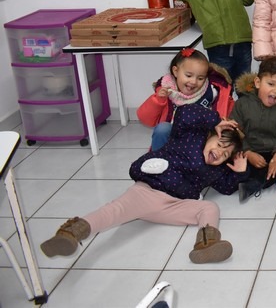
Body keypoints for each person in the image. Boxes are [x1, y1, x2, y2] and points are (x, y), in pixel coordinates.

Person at [40, 104, 246, 264]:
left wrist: (239, 172)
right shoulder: (188, 137)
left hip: (175, 206)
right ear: (209, 136)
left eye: (225, 154)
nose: (220, 153)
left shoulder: (216, 169)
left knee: (210, 207)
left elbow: (226, 188)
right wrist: (215, 120)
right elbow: (184, 113)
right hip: (148, 192)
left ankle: (206, 244)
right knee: (113, 211)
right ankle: (70, 234)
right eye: (220, 145)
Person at [137, 48, 234, 151]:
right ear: (175, 71)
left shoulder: (212, 92)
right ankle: (158, 161)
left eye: (200, 78)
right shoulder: (167, 90)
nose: (193, 81)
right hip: (172, 139)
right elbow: (145, 118)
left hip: (199, 141)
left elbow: (227, 108)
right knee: (162, 129)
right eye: (188, 75)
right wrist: (158, 100)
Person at [231, 56, 276, 202]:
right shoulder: (242, 103)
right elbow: (235, 130)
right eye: (271, 84)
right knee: (233, 160)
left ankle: (268, 180)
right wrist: (248, 152)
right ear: (257, 82)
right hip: (251, 152)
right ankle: (263, 179)